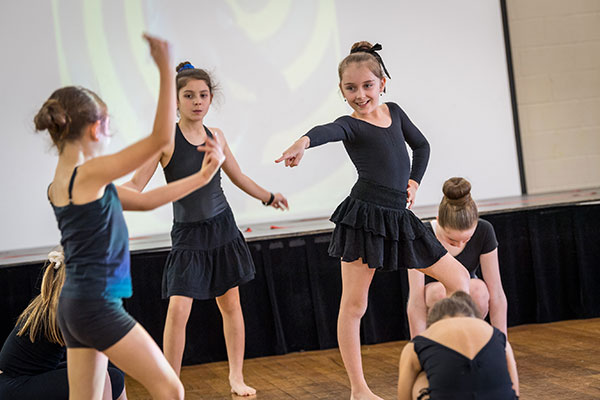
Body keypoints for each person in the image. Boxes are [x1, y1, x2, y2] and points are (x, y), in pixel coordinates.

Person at [34, 34, 225, 399]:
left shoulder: (69, 183)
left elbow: (149, 200)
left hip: (74, 306)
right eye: (108, 125)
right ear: (95, 128)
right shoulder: (87, 175)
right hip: (96, 305)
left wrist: (202, 177)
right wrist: (165, 66)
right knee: (170, 389)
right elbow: (158, 139)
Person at [275, 41, 470, 400]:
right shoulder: (351, 125)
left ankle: (458, 361)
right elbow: (327, 130)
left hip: (400, 216)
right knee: (354, 305)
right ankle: (358, 389)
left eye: (367, 85)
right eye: (351, 88)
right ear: (341, 91)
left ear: (383, 82)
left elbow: (422, 146)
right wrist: (303, 141)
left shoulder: (395, 112)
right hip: (364, 217)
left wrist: (414, 181)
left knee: (460, 280)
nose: (360, 94)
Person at [123, 61, 288, 396]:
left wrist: (269, 196)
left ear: (211, 99)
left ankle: (236, 377)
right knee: (178, 310)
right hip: (188, 234)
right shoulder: (164, 140)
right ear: (177, 101)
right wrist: (104, 196)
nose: (197, 101)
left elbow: (238, 177)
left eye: (203, 95)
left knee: (230, 305)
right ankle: (169, 381)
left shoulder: (218, 136)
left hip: (222, 228)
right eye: (189, 95)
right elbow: (137, 183)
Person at [0, 250, 126, 400]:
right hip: (13, 386)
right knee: (100, 375)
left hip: (20, 380)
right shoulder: (69, 309)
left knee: (112, 371)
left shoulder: (58, 301)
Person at [407, 177, 508, 337]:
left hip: (468, 298)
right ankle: (445, 341)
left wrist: (502, 344)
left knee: (480, 290)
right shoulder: (422, 235)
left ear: (475, 223)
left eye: (467, 239)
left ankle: (471, 338)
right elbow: (416, 301)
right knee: (439, 292)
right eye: (452, 240)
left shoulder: (485, 230)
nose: (460, 244)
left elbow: (496, 293)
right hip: (433, 300)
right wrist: (417, 347)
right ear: (439, 221)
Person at [398, 291, 519, 400]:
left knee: (421, 379)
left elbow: (403, 396)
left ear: (433, 321)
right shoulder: (499, 337)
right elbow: (515, 392)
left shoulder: (419, 342)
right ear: (472, 315)